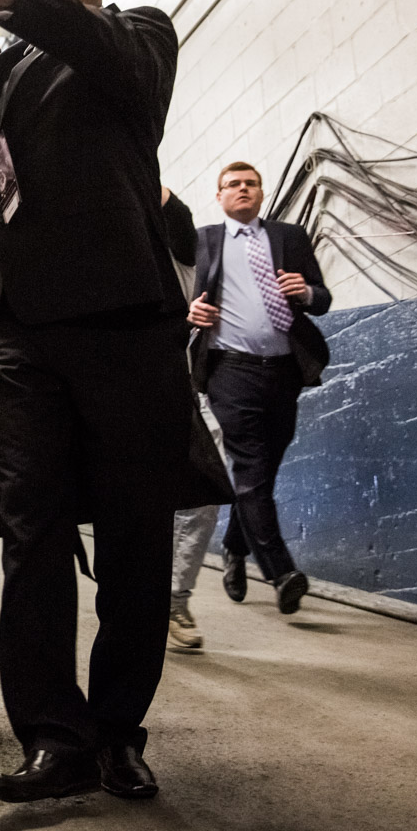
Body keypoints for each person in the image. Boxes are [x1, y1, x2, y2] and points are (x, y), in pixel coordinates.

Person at [0, 0, 229, 804]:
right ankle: (52, 737)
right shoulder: (6, 69)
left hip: (121, 320)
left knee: (135, 536)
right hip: (16, 331)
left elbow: (98, 50)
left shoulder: (138, 38)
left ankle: (118, 731)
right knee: (34, 534)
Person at [186, 162, 333, 616]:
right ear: (220, 196)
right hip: (230, 370)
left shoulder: (290, 237)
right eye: (233, 184)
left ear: (262, 193)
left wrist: (305, 293)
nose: (243, 189)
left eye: (250, 183)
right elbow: (181, 299)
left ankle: (234, 547)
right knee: (250, 466)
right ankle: (281, 572)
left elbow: (322, 298)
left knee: (264, 471)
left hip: (284, 370)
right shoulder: (203, 240)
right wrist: (190, 312)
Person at [156, 187, 226, 651]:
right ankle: (137, 598)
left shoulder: (176, 242)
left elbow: (170, 206)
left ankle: (174, 600)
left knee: (201, 493)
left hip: (174, 390)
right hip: (104, 391)